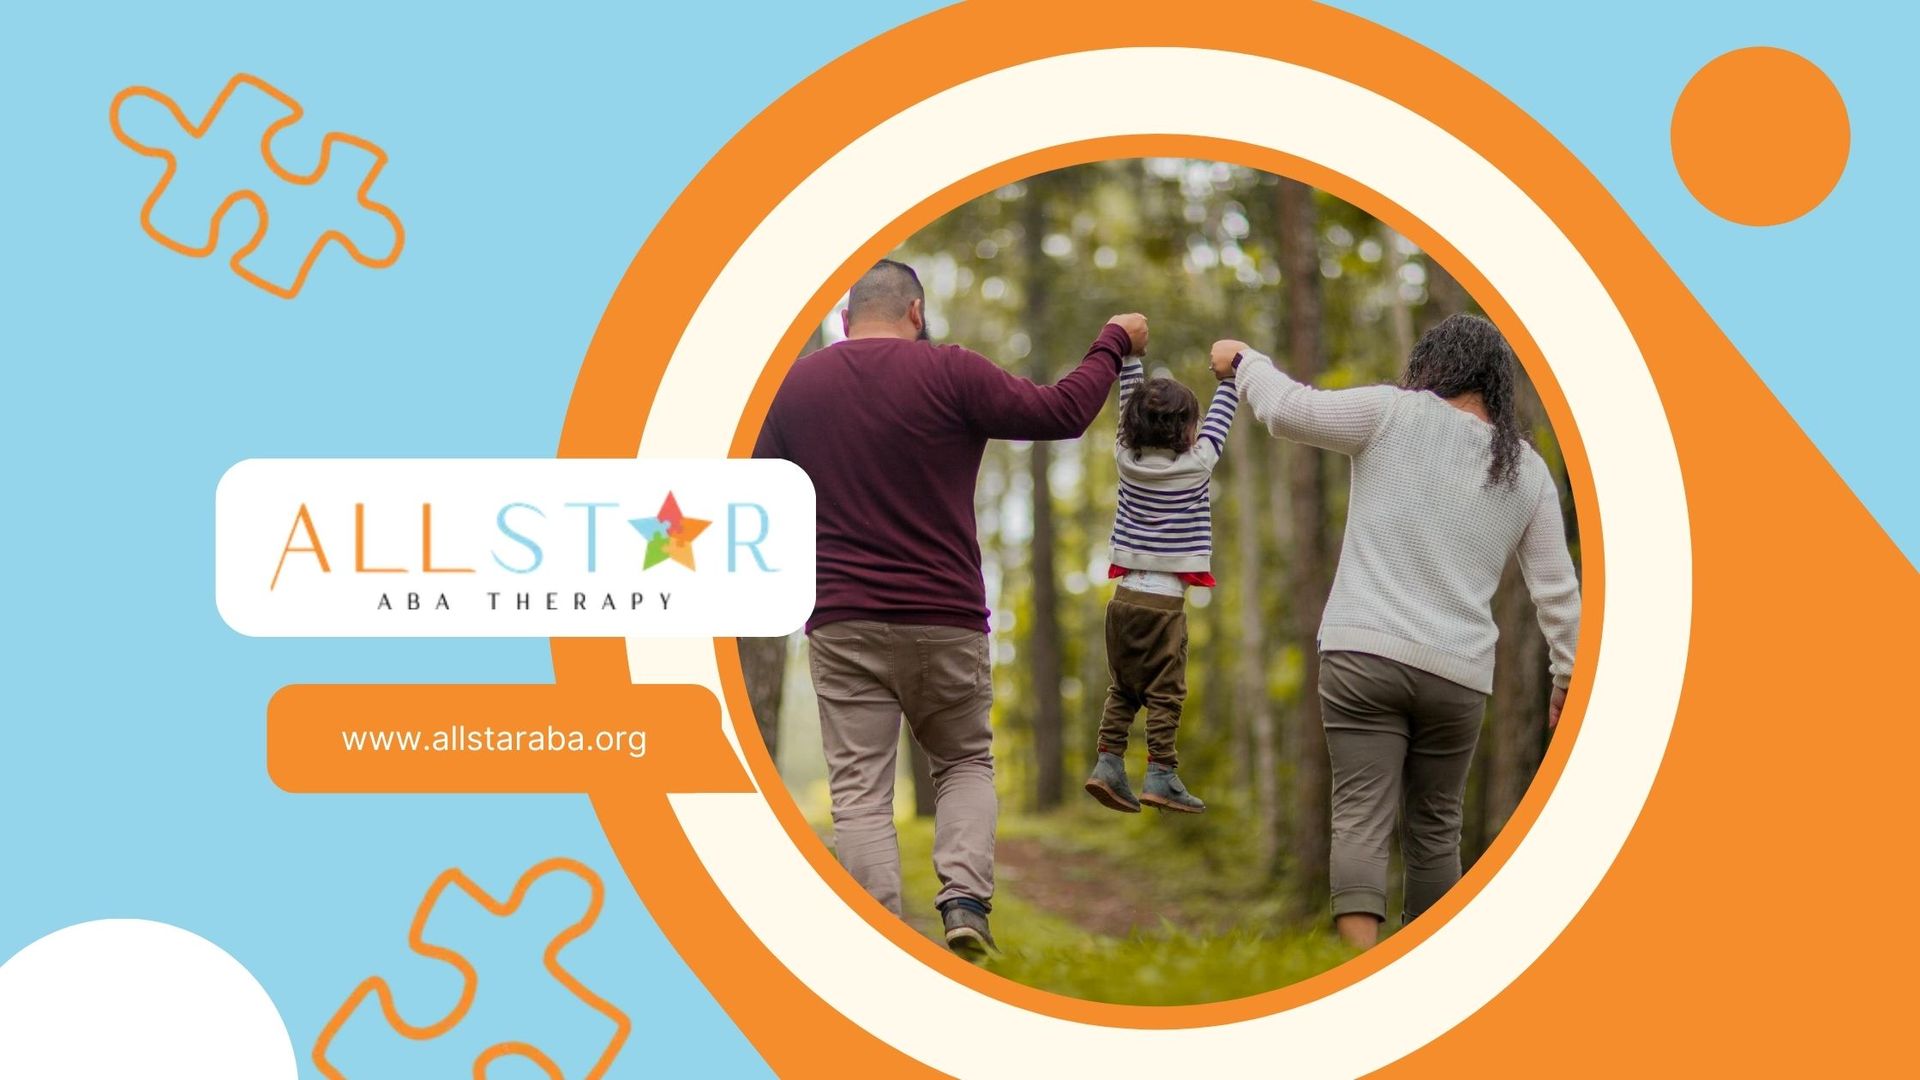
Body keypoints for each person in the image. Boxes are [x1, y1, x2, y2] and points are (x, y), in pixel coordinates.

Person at [753, 258, 1149, 959]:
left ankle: (875, 935)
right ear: (916, 313)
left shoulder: (794, 387)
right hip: (945, 614)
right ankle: (965, 904)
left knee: (860, 791)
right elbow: (1061, 412)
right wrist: (1112, 341)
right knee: (964, 761)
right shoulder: (951, 371)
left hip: (843, 617)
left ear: (846, 322)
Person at [1211, 313, 1580, 949]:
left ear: (1432, 367)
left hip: (1364, 654)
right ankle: (1427, 973)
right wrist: (1567, 676)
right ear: (1497, 385)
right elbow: (1558, 591)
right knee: (1436, 830)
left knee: (1360, 814)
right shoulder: (1528, 471)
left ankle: (1360, 963)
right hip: (1458, 677)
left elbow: (1288, 411)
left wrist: (1244, 360)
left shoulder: (1390, 413)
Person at [1083, 354, 1238, 815]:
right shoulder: (1198, 464)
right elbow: (1223, 416)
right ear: (1187, 431)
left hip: (1124, 600)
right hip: (1164, 606)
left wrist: (1130, 357)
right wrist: (1229, 377)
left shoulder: (1124, 459)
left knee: (1123, 688)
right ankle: (1161, 773)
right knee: (1165, 693)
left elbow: (1125, 403)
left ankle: (1108, 762)